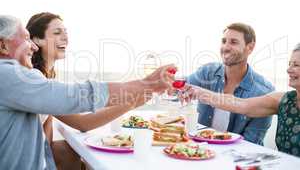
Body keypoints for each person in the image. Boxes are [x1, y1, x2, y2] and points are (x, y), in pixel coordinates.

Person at [0, 15, 175, 170]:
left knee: (78, 154)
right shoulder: (12, 77)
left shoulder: (29, 78)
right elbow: (79, 102)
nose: (33, 47)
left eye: (65, 31)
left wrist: (139, 93)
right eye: (26, 38)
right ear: (3, 45)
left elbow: (51, 135)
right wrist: (144, 86)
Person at [25, 12, 142, 169]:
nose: (65, 38)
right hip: (27, 160)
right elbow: (83, 123)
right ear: (37, 40)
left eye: (66, 33)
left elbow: (50, 133)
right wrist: (132, 102)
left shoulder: (46, 78)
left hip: (39, 154)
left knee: (72, 152)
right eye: (57, 33)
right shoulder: (35, 81)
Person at [179, 43, 300, 157]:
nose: (288, 70)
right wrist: (199, 92)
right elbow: (241, 104)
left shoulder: (266, 89)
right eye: (289, 64)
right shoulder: (284, 100)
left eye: (296, 65)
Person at [186, 23, 274, 145]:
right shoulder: (207, 72)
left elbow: (251, 144)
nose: (226, 47)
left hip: (235, 158)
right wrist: (165, 79)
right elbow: (181, 87)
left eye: (233, 42)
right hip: (200, 151)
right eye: (224, 41)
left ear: (250, 47)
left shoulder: (264, 92)